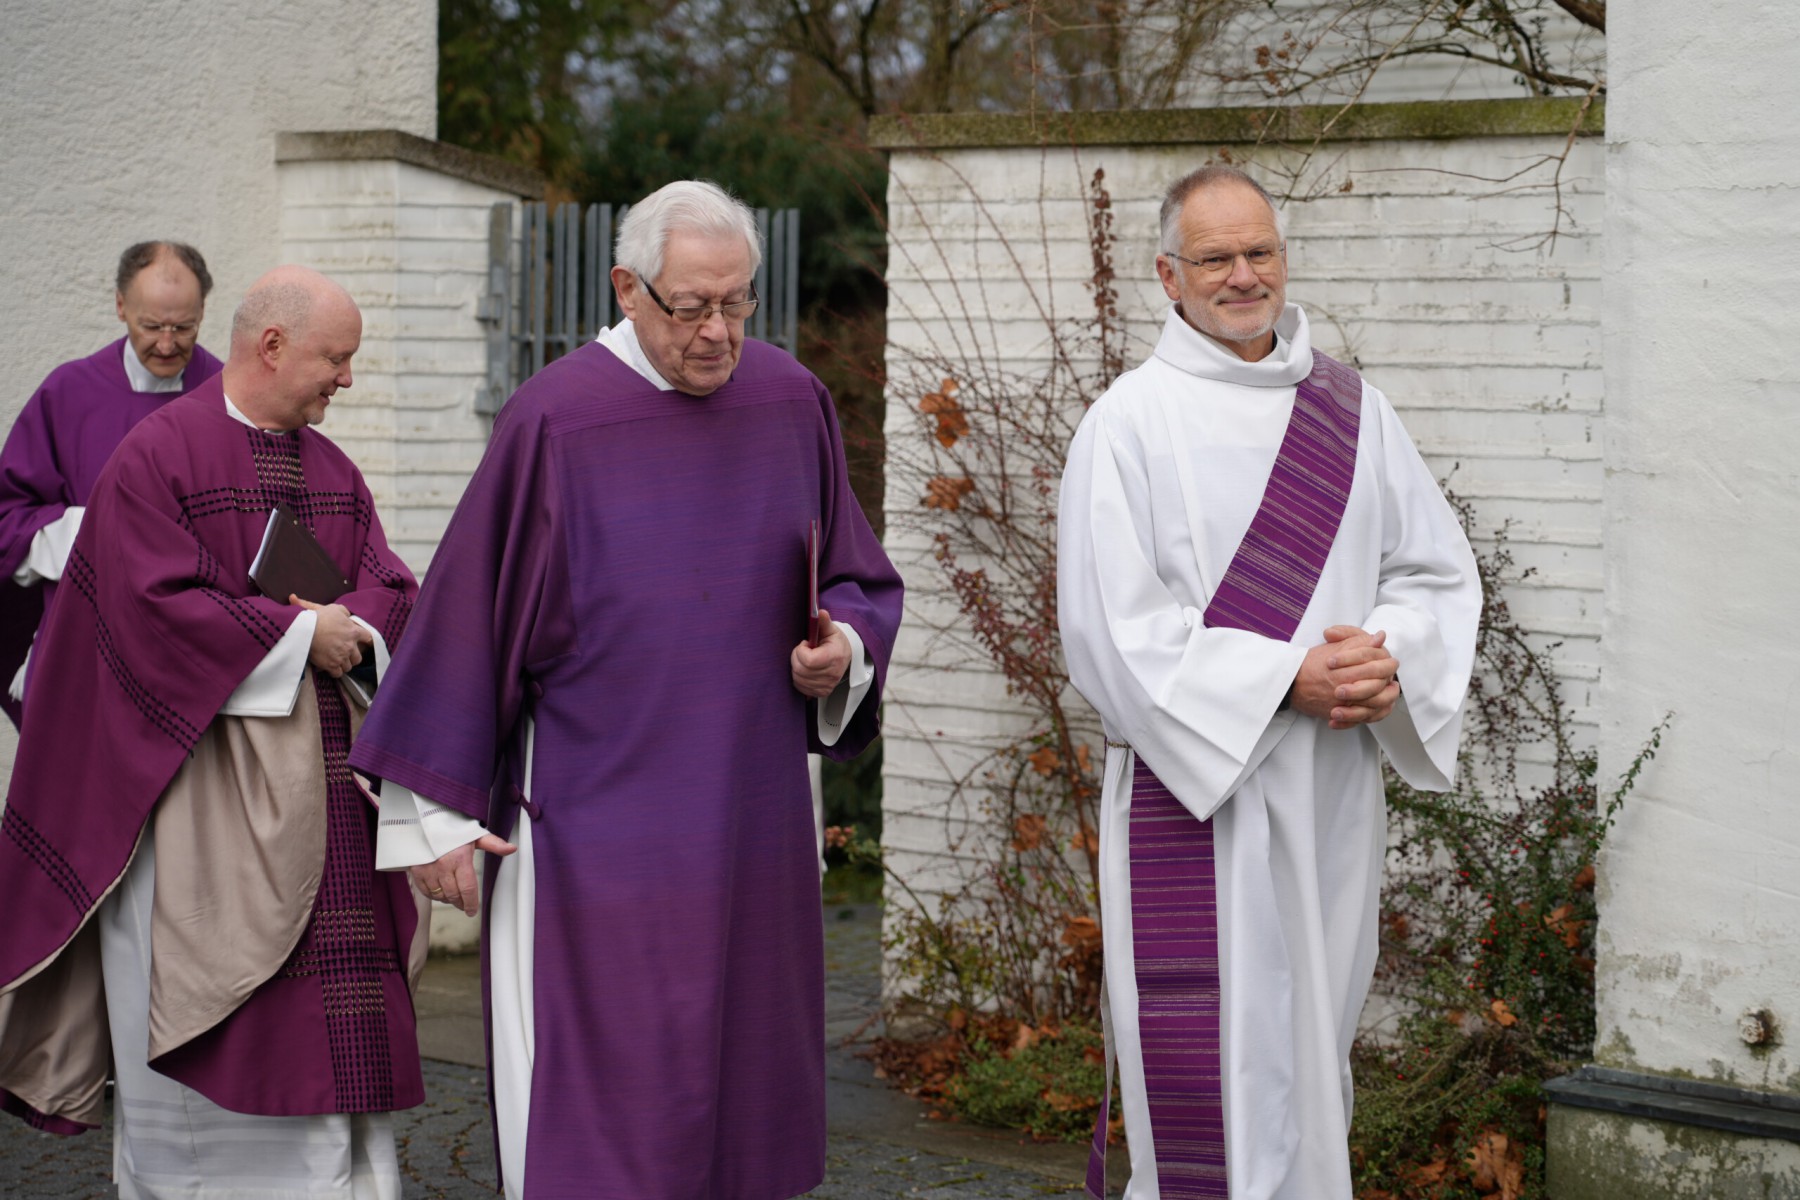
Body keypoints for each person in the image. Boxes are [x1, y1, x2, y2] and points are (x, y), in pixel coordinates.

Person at [348, 179, 904, 1199]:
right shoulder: (556, 420)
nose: (717, 332)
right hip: (596, 838)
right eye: (690, 306)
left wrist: (846, 653)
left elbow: (855, 581)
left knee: (744, 1106)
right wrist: (432, 819)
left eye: (736, 302)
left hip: (756, 823)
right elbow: (468, 619)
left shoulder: (790, 399)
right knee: (610, 1113)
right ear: (626, 288)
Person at [1057, 165, 1482, 1199]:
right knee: (1218, 1075)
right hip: (1197, 797)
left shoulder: (1352, 410)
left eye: (1260, 252)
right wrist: (1288, 677)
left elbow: (1431, 572)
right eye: (1215, 258)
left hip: (1330, 791)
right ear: (1169, 275)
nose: (1243, 276)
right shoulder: (1127, 425)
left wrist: (1385, 655)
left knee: (1312, 1055)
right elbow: (1112, 633)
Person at [0, 266, 425, 1197]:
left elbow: (392, 585)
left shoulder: (333, 469)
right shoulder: (157, 457)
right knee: (211, 1053)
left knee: (332, 1064)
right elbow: (144, 610)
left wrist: (354, 625)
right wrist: (298, 636)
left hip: (329, 810)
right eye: (336, 359)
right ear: (272, 346)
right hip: (192, 808)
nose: (347, 378)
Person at [0, 241, 225, 727]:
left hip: (192, 652)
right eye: (152, 326)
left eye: (183, 327)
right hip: (86, 638)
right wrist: (86, 531)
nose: (166, 344)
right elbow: (9, 517)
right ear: (121, 306)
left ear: (203, 311)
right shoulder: (68, 393)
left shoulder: (227, 395)